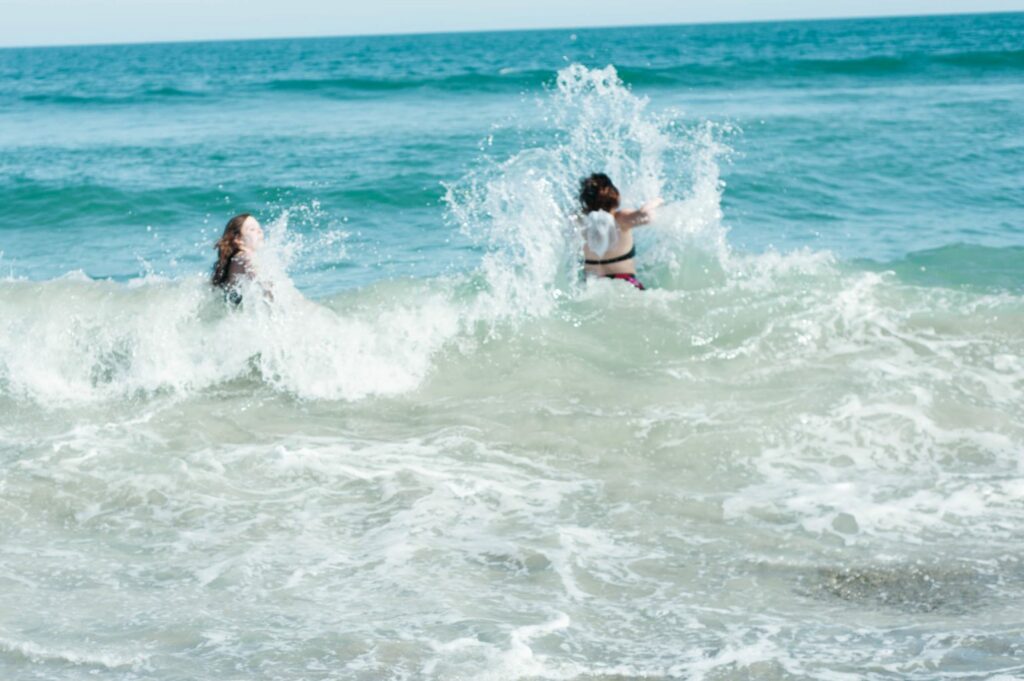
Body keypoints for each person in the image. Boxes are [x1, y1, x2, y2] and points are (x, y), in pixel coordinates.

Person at [579, 173, 663, 291]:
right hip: (624, 282)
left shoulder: (578, 221)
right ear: (614, 194)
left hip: (590, 286)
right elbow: (647, 217)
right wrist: (655, 202)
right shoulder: (620, 219)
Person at [211, 213, 266, 303]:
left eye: (259, 228)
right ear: (238, 239)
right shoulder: (243, 257)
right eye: (252, 229)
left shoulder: (236, 258)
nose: (259, 231)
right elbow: (264, 283)